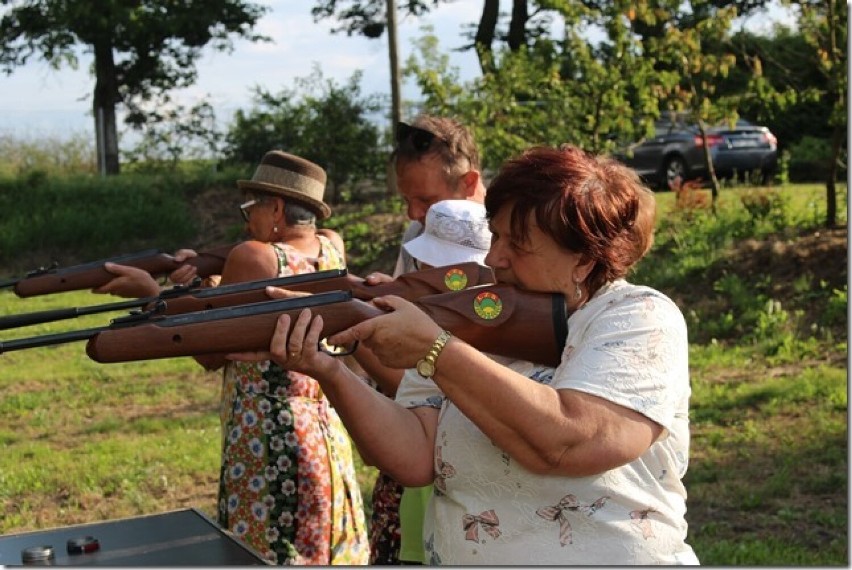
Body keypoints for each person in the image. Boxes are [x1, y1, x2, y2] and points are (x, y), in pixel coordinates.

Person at [234, 144, 698, 565]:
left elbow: (571, 439)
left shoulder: (637, 317)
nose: (494, 259)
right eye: (495, 236)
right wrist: (327, 368)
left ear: (584, 258)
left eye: (518, 244)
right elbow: (416, 453)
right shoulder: (479, 316)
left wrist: (437, 350)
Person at [94, 151, 369, 565]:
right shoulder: (331, 249)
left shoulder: (254, 257)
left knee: (264, 554)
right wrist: (209, 279)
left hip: (268, 440)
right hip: (325, 434)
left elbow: (208, 353)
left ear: (276, 208)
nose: (246, 221)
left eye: (251, 208)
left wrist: (154, 293)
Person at [357, 115, 487, 565]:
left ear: (469, 181)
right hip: (413, 446)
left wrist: (354, 343)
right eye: (407, 199)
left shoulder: (502, 248)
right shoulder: (418, 237)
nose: (413, 214)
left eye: (425, 199)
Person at [395, 198, 492, 565]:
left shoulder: (509, 333)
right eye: (427, 267)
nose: (429, 277)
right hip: (430, 524)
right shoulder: (425, 326)